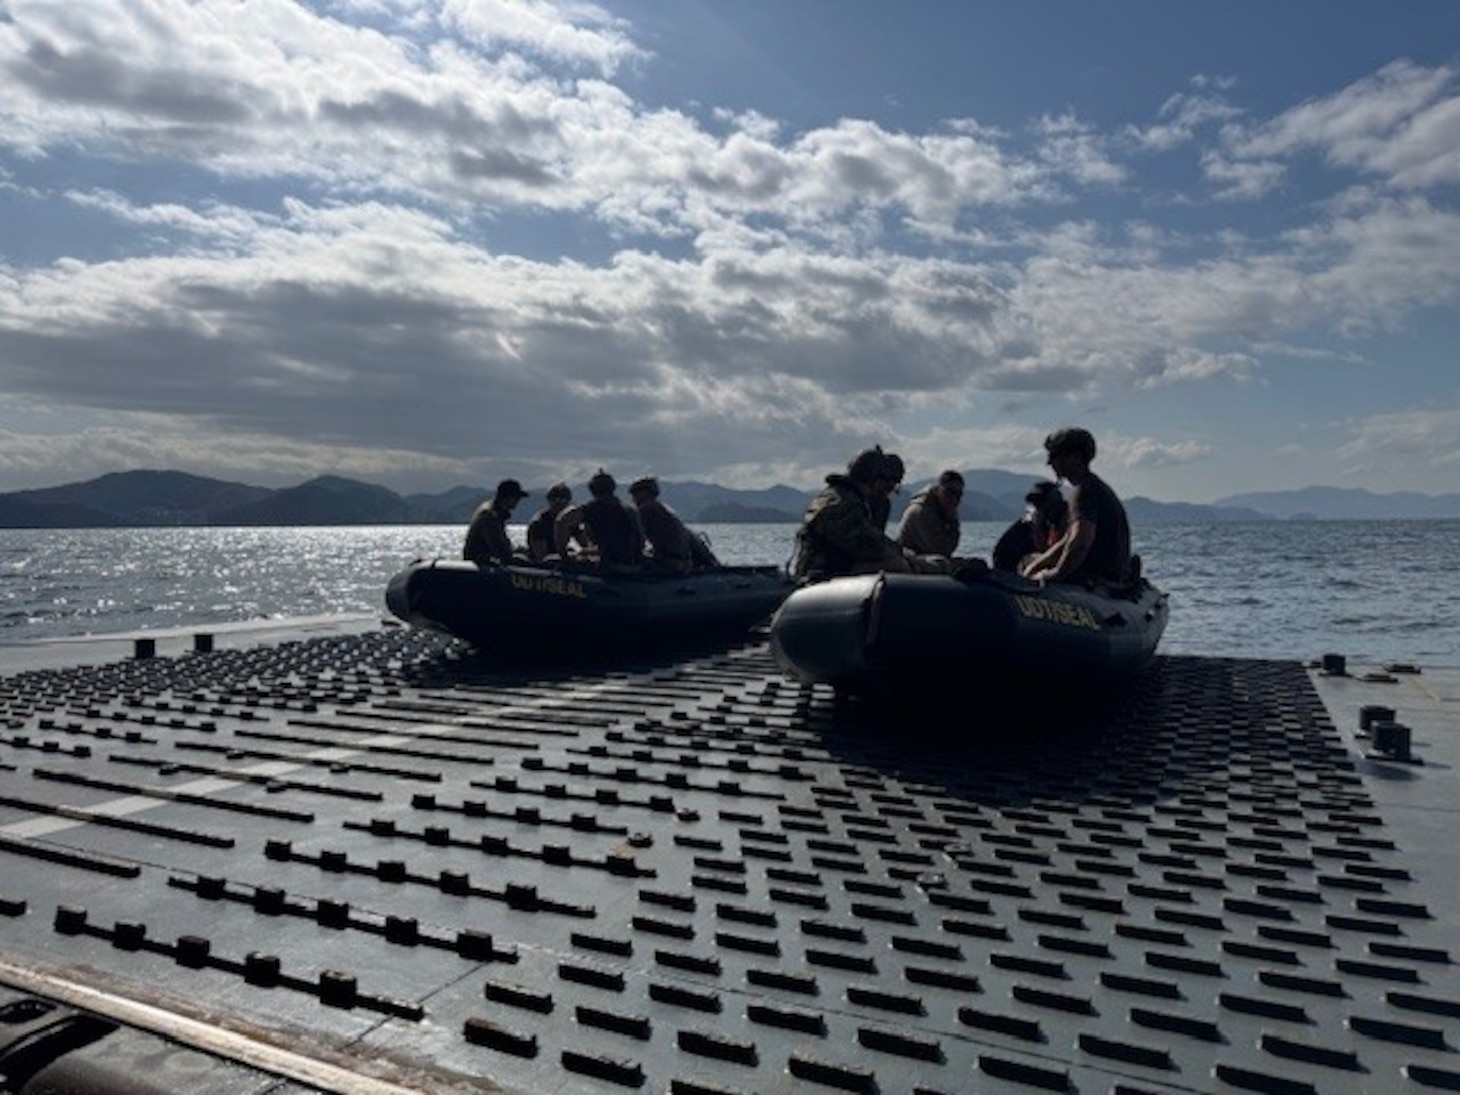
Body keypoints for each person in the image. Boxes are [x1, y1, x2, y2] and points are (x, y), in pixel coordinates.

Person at [793, 447, 938, 580]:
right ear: (876, 480)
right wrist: (906, 555)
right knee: (898, 566)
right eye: (888, 486)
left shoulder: (853, 500)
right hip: (821, 573)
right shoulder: (841, 503)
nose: (888, 493)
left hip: (837, 568)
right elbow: (871, 545)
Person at [1022, 427, 1131, 584]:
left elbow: (1080, 543)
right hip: (1110, 578)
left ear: (1076, 457)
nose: (1049, 463)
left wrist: (1056, 574)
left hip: (1097, 581)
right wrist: (1033, 568)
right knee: (1029, 563)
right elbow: (1067, 541)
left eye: (1054, 456)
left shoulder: (1084, 492)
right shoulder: (1094, 487)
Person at [555, 469, 645, 568]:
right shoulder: (629, 510)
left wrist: (564, 555)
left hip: (611, 566)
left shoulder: (594, 508)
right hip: (634, 563)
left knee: (551, 560)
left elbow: (562, 521)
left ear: (592, 489)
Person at [628, 477, 718, 572]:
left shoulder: (646, 509)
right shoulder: (664, 508)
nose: (633, 499)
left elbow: (636, 540)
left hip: (670, 564)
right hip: (682, 562)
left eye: (635, 494)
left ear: (644, 493)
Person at [992, 480, 1068, 573]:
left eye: (1040, 501)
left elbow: (1053, 553)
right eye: (1036, 503)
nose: (1039, 507)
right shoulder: (1031, 522)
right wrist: (1035, 527)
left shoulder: (1063, 520)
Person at [897, 469, 964, 557]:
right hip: (910, 561)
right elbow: (941, 550)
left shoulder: (942, 510)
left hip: (923, 559)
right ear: (938, 490)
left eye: (958, 494)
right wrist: (953, 522)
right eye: (949, 492)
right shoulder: (922, 511)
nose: (954, 499)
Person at [463, 479, 529, 566]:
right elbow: (501, 552)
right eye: (516, 498)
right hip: (480, 567)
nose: (518, 502)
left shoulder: (496, 514)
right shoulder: (489, 516)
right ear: (507, 497)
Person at [525, 482, 576, 560]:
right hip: (540, 565)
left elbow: (585, 544)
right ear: (549, 501)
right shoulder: (539, 523)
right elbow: (541, 555)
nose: (558, 503)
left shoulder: (570, 521)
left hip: (560, 560)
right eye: (554, 500)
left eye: (563, 500)